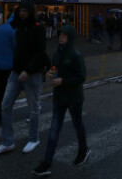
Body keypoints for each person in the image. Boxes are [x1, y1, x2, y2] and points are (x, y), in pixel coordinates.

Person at [0, 1, 46, 156]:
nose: (22, 14)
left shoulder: (38, 27)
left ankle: (34, 139)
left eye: (24, 11)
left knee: (33, 109)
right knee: (5, 105)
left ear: (30, 12)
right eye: (20, 11)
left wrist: (28, 70)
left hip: (32, 74)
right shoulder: (18, 26)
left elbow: (40, 51)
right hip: (15, 73)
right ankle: (7, 142)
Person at [32, 22, 89, 176]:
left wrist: (62, 81)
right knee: (53, 131)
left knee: (78, 126)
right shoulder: (57, 54)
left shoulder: (75, 55)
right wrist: (50, 73)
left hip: (74, 98)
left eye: (64, 35)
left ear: (70, 37)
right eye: (60, 34)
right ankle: (47, 163)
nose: (60, 37)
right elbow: (55, 69)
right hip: (59, 98)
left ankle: (83, 150)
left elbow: (81, 77)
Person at [0, 10, 17, 122]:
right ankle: (5, 113)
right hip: (9, 65)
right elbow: (16, 47)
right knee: (9, 91)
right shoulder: (13, 30)